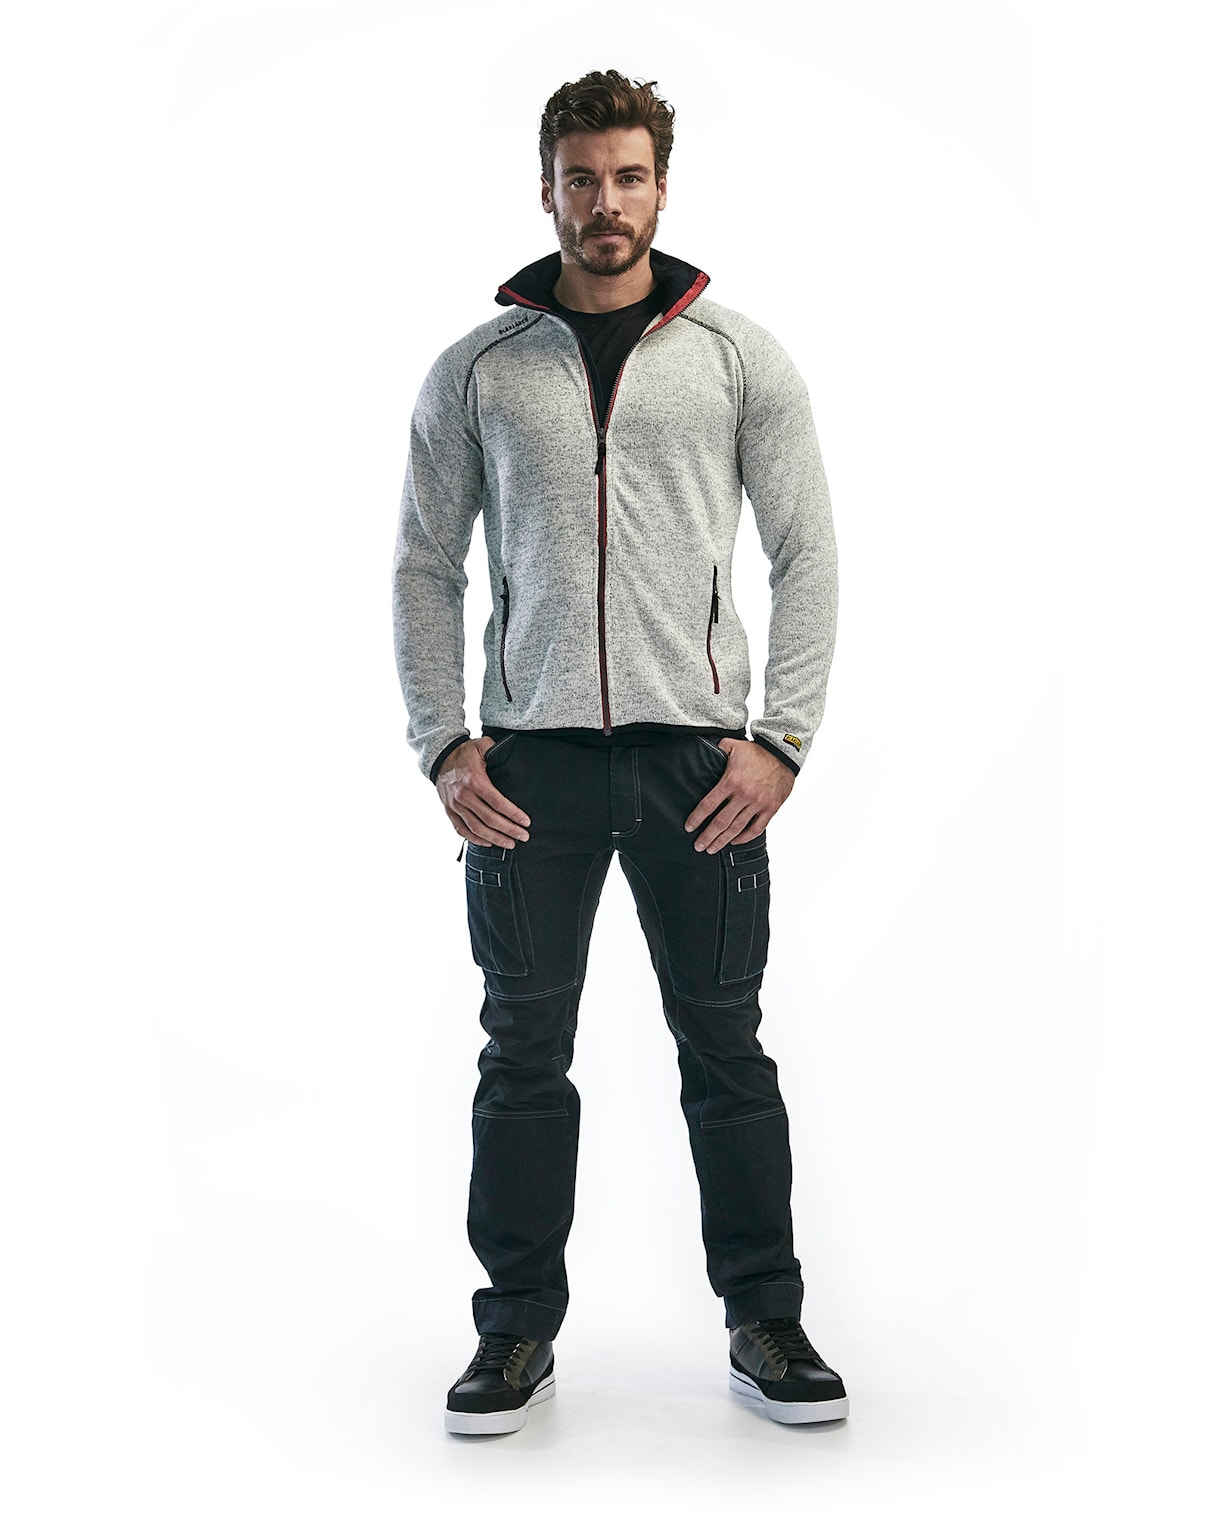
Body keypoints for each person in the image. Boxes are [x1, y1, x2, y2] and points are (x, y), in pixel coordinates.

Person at [392, 68, 846, 1436]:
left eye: (628, 177)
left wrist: (780, 741)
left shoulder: (737, 359)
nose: (605, 202)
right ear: (546, 189)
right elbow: (424, 564)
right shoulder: (479, 369)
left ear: (661, 186)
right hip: (527, 769)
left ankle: (765, 1319)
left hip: (700, 765)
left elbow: (807, 552)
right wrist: (443, 742)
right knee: (521, 1050)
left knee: (726, 1048)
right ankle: (514, 1333)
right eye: (581, 178)